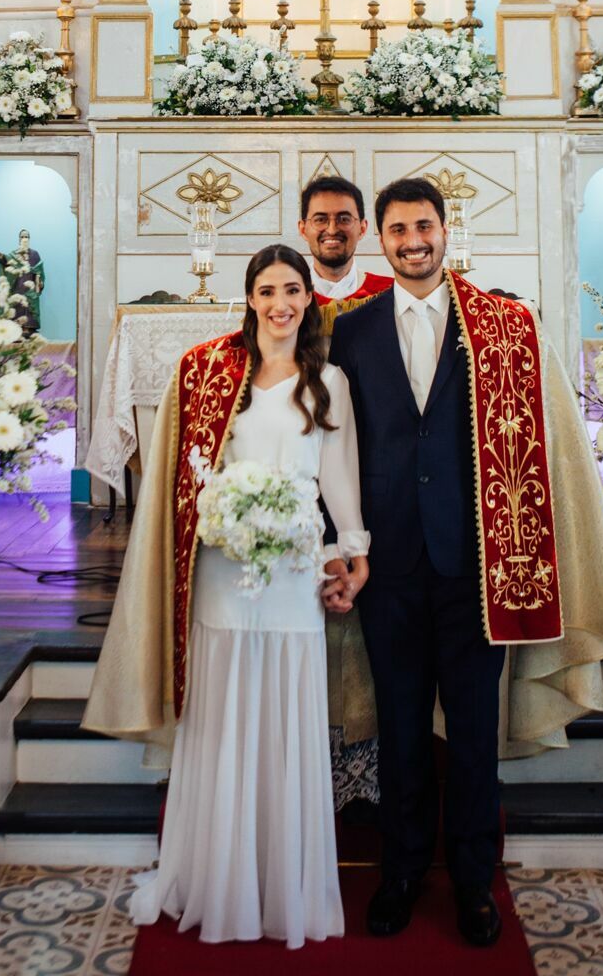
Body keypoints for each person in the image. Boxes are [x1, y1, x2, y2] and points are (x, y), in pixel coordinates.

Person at [327, 176, 603, 947]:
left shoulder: (500, 324)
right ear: (378, 236)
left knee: (471, 731)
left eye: (424, 226)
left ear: (444, 230)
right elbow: (337, 448)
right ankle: (402, 873)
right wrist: (341, 548)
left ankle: (473, 880)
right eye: (399, 229)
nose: (413, 241)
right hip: (388, 563)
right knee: (401, 730)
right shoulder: (351, 330)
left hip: (477, 562)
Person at [83, 244, 369, 949]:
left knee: (283, 715)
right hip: (220, 569)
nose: (281, 303)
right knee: (223, 716)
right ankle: (214, 875)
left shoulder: (327, 378)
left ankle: (281, 883)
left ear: (309, 300)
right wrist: (222, 516)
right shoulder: (211, 371)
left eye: (293, 291)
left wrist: (349, 554)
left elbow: (337, 478)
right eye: (268, 290)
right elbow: (186, 475)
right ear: (248, 296)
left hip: (293, 571)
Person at [297, 175, 393, 328]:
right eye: (320, 219)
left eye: (344, 219)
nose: (332, 229)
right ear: (303, 229)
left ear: (362, 229)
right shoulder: (287, 298)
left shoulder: (389, 294)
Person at [0, 230, 44, 333]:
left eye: (26, 236)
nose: (24, 239)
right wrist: (2, 258)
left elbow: (39, 269)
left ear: (29, 239)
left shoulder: (35, 254)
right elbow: (7, 263)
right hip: (17, 286)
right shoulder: (14, 255)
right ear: (19, 239)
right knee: (17, 306)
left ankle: (29, 329)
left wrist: (39, 282)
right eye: (22, 236)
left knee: (30, 308)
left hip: (30, 288)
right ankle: (17, 330)